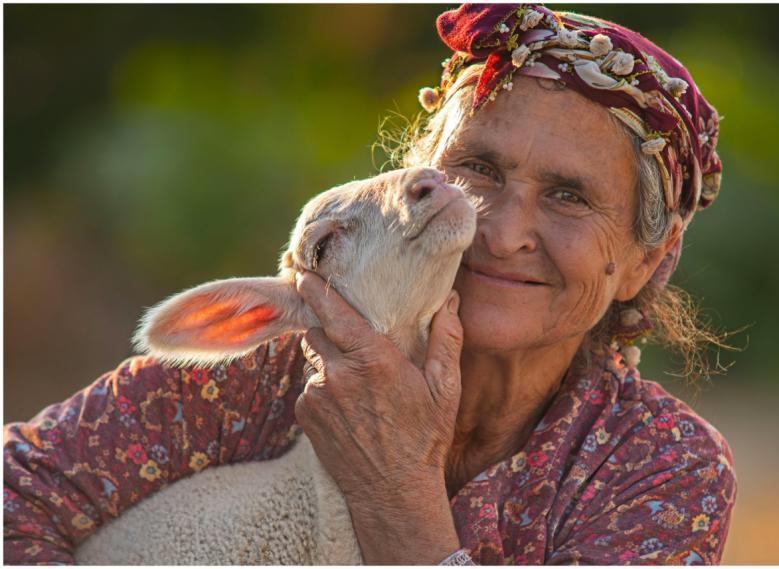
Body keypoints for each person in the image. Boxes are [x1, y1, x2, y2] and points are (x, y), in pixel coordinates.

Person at [4, 4, 736, 565]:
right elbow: (17, 495)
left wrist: (395, 490)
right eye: (478, 168)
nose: (504, 228)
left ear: (646, 259)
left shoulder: (657, 468)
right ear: (424, 181)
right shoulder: (275, 363)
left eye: (569, 196)